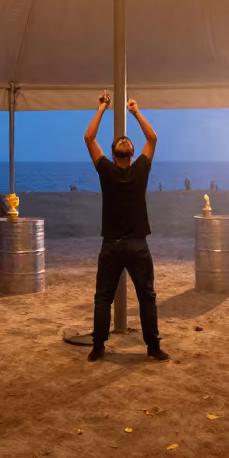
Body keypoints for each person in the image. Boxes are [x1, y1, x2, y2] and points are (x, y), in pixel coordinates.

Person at [84, 93, 167, 363]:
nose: (124, 140)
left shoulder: (140, 169)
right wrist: (103, 108)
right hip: (123, 244)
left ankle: (152, 346)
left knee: (144, 297)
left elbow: (152, 139)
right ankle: (98, 345)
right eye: (121, 140)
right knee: (106, 298)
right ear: (118, 153)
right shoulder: (107, 170)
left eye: (126, 140)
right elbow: (89, 138)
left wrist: (134, 111)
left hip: (127, 244)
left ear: (128, 153)